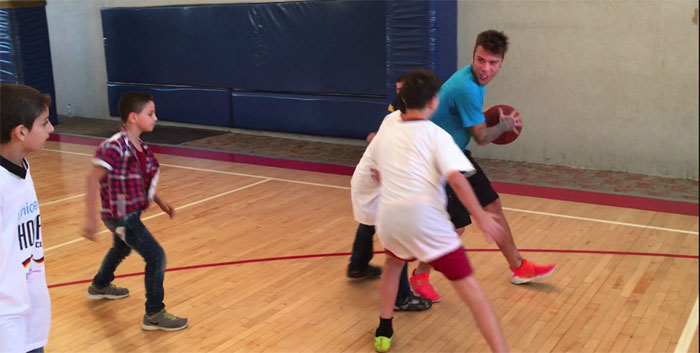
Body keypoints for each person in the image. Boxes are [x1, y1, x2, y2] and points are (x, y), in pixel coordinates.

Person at [364, 69, 508, 352]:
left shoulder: (387, 132)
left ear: (402, 99)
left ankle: (384, 327)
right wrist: (480, 216)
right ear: (434, 103)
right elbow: (457, 178)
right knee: (473, 293)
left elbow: (377, 169)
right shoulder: (437, 135)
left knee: (393, 266)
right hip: (425, 224)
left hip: (391, 222)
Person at [411, 29, 556, 302]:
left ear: (501, 63)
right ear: (473, 55)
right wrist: (504, 125)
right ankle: (419, 276)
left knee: (493, 206)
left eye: (492, 63)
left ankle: (519, 267)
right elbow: (481, 136)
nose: (485, 68)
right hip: (433, 159)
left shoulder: (475, 82)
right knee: (455, 227)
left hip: (454, 153)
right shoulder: (467, 87)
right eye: (480, 60)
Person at [81, 91, 188, 331]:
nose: (155, 118)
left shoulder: (142, 148)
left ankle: (100, 285)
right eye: (150, 113)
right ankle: (154, 313)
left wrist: (160, 202)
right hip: (121, 215)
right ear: (133, 117)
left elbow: (142, 180)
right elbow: (91, 180)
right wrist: (90, 220)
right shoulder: (114, 146)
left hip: (128, 214)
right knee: (156, 256)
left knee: (121, 248)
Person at [348, 75, 432, 312]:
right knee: (399, 237)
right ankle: (401, 297)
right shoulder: (403, 124)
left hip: (366, 182)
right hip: (373, 182)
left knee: (369, 223)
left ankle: (358, 266)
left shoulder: (395, 118)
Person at [0, 84, 54, 353]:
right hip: (4, 318)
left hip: (29, 307)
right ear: (21, 132)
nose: (51, 129)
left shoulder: (21, 165)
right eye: (44, 123)